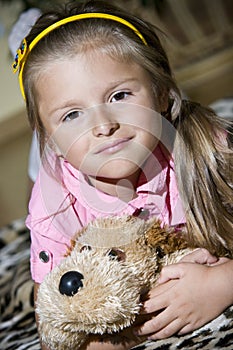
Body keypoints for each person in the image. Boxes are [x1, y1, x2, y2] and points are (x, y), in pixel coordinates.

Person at [12, 1, 233, 349]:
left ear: (161, 93)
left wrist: (223, 282)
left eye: (120, 95)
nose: (103, 126)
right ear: (49, 137)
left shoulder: (210, 148)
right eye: (71, 115)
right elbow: (53, 320)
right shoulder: (55, 206)